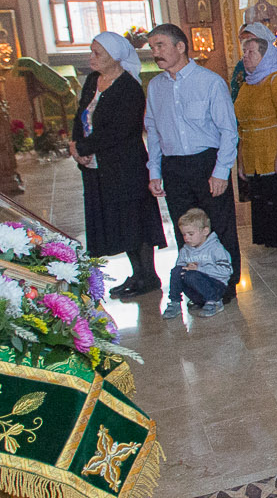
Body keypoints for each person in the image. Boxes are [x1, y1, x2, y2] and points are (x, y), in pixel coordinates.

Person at [144, 23, 241, 300]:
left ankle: (225, 286)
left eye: (160, 46)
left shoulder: (209, 82)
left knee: (217, 227)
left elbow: (228, 130)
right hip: (174, 166)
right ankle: (195, 286)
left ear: (180, 47)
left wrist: (221, 171)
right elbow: (153, 131)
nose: (155, 53)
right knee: (185, 228)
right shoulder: (155, 87)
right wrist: (155, 170)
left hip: (207, 163)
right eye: (152, 48)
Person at [72, 31, 164, 297]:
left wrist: (84, 147)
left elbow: (119, 130)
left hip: (125, 165)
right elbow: (81, 114)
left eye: (97, 53)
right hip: (98, 166)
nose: (91, 58)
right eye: (91, 51)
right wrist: (76, 144)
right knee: (118, 221)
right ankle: (137, 274)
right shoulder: (93, 80)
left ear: (115, 57)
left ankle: (148, 275)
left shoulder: (129, 88)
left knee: (135, 220)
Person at [233, 22, 277, 269]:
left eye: (251, 52)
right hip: (255, 157)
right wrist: (242, 160)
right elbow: (241, 126)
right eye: (245, 52)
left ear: (265, 55)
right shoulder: (247, 84)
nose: (246, 57)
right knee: (266, 205)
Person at [162, 207, 234, 319]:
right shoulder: (185, 250)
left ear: (205, 231)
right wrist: (185, 268)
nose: (186, 238)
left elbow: (226, 271)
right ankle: (174, 302)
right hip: (195, 289)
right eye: (184, 234)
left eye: (191, 234)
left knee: (192, 275)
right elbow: (180, 268)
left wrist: (199, 268)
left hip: (215, 287)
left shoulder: (216, 248)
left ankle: (214, 302)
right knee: (177, 271)